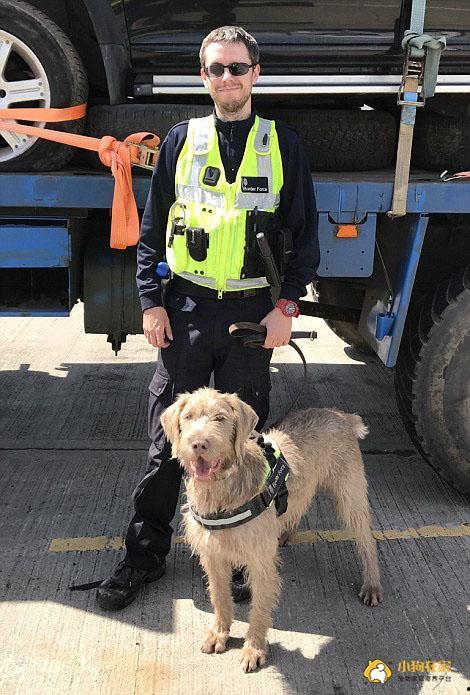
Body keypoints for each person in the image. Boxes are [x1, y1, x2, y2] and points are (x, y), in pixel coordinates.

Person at [96, 25, 319, 611]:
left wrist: (286, 307)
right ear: (203, 76)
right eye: (217, 68)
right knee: (168, 446)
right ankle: (144, 555)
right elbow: (152, 231)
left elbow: (305, 237)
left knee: (246, 448)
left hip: (251, 316)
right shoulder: (181, 140)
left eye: (237, 67)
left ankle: (244, 558)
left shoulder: (283, 144)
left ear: (255, 74)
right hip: (188, 311)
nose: (228, 78)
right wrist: (151, 302)